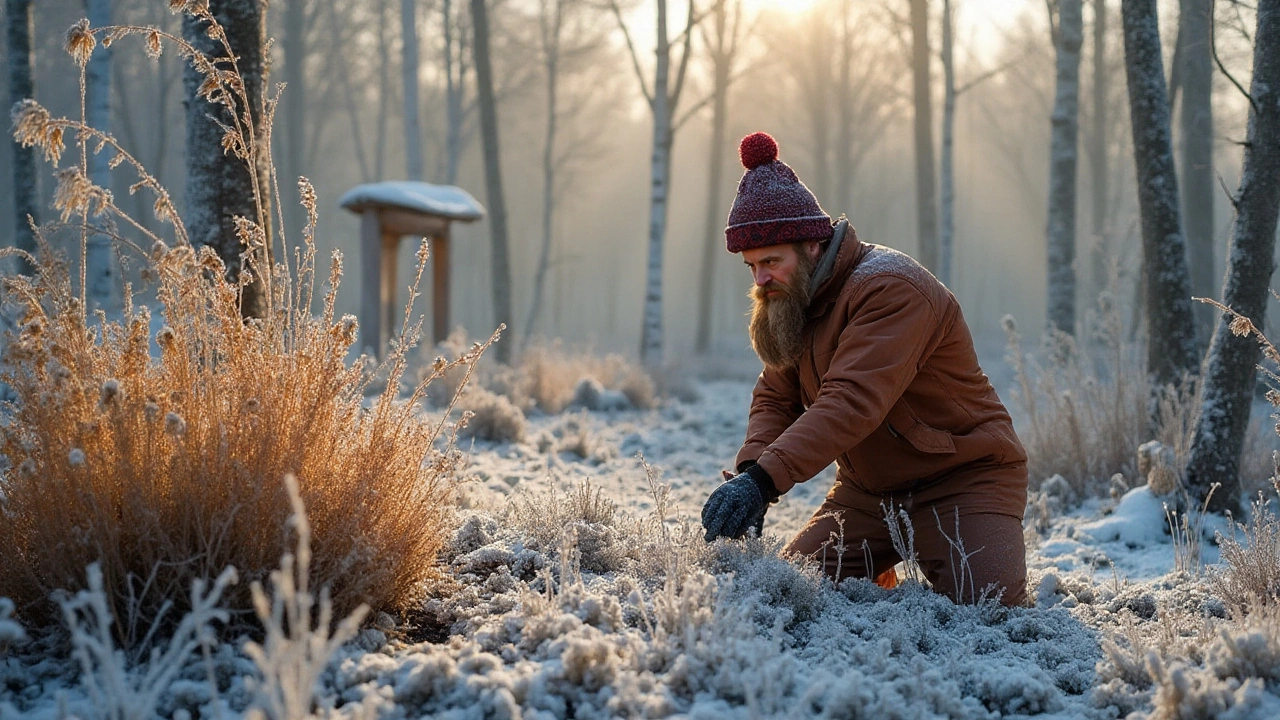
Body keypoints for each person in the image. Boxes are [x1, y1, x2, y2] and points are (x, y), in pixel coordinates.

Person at [700, 132, 1029, 607]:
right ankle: (879, 572)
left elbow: (850, 402)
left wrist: (766, 480)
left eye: (771, 262)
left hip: (963, 480)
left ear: (813, 247)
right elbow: (776, 395)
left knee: (995, 614)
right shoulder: (794, 299)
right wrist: (753, 469)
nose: (760, 279)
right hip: (867, 495)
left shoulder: (891, 290)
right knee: (788, 589)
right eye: (751, 266)